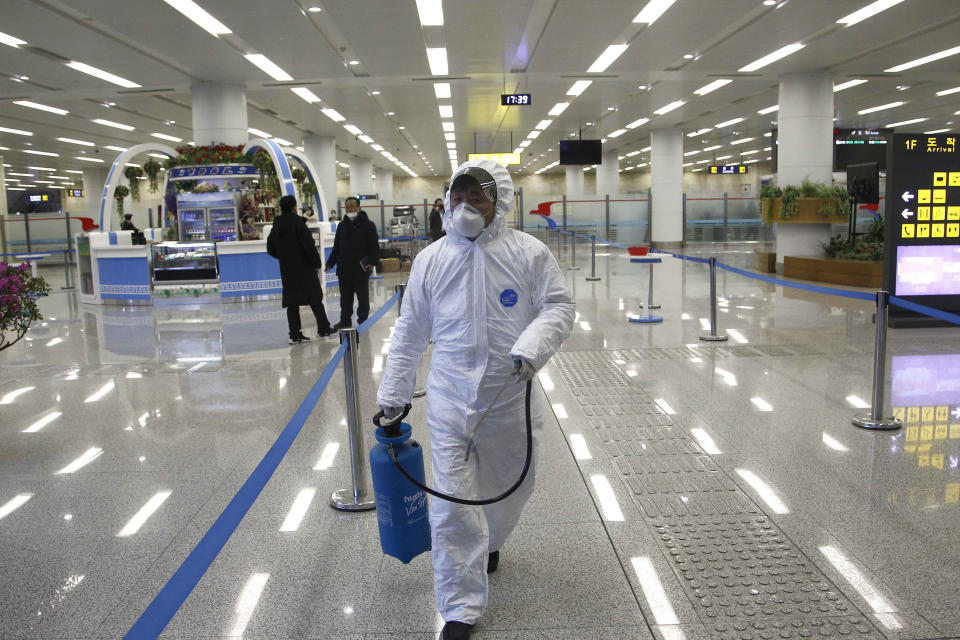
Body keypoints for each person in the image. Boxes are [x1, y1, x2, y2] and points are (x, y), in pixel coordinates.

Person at [376, 160, 574, 639]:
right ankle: (460, 607)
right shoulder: (431, 259)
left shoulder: (529, 254)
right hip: (449, 399)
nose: (465, 207)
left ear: (498, 203)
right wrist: (394, 393)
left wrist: (531, 348)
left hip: (510, 397)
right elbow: (409, 332)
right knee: (452, 505)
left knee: (513, 485)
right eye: (457, 197)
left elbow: (559, 306)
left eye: (476, 198)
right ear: (446, 201)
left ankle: (491, 540)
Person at [266, 195, 335, 344]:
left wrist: (284, 258)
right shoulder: (298, 225)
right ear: (294, 207)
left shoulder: (277, 226)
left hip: (287, 270)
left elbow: (270, 248)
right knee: (315, 298)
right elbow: (309, 247)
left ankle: (295, 334)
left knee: (292, 302)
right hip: (304, 269)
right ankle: (323, 328)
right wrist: (316, 263)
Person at [325, 196, 379, 328]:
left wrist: (372, 262)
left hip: (361, 268)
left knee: (363, 297)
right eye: (347, 206)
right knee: (345, 299)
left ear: (359, 208)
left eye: (352, 206)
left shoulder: (368, 225)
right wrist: (330, 263)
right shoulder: (342, 226)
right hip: (344, 268)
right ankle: (345, 320)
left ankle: (363, 320)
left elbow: (374, 246)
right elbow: (337, 246)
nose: (350, 209)